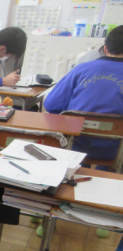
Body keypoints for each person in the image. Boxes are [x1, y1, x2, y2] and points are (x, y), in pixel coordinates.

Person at [44, 25, 123, 169]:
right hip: (117, 151)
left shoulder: (81, 69)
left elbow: (51, 104)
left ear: (105, 49)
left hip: (75, 144)